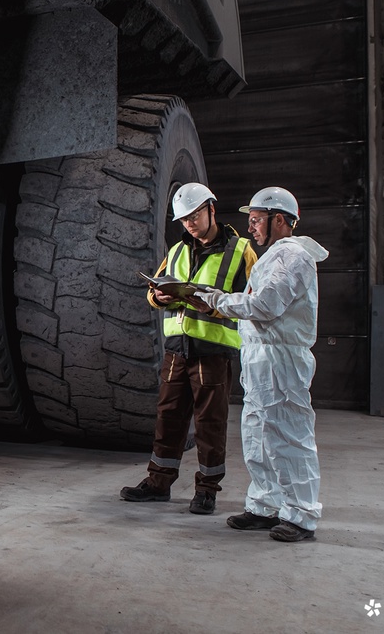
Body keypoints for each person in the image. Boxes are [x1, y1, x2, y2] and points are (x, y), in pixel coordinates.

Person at [192, 186, 328, 542]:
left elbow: (267, 305)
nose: (251, 228)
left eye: (255, 221)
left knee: (288, 436)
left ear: (278, 220)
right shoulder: (274, 256)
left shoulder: (292, 256)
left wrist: (217, 301)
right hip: (261, 358)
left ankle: (301, 516)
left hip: (280, 359)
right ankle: (266, 506)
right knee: (258, 435)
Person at [121, 183, 256, 515]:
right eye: (183, 220)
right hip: (176, 352)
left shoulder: (241, 251)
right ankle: (158, 482)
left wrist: (210, 306)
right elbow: (153, 292)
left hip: (213, 352)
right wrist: (159, 296)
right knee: (169, 417)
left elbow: (253, 303)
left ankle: (207, 490)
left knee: (210, 423)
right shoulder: (178, 251)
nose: (189, 224)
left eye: (194, 216)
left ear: (211, 209)